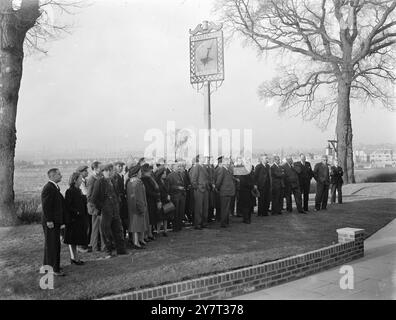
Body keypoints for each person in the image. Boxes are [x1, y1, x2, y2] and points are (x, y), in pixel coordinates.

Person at [91, 163, 127, 258]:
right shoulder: (99, 182)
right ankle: (109, 251)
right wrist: (102, 207)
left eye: (110, 170)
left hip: (115, 209)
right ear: (103, 172)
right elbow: (93, 198)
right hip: (106, 211)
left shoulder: (113, 181)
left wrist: (118, 203)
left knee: (118, 229)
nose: (110, 172)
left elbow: (116, 194)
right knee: (106, 231)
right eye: (107, 170)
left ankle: (121, 250)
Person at [41, 168, 66, 276]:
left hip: (54, 221)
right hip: (51, 222)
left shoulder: (54, 187)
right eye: (59, 174)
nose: (61, 176)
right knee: (52, 245)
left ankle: (49, 266)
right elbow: (46, 206)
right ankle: (54, 269)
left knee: (52, 244)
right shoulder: (49, 188)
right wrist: (49, 220)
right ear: (52, 176)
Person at [64, 172, 89, 265]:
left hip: (79, 219)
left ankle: (75, 257)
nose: (81, 180)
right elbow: (68, 206)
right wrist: (77, 212)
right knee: (72, 240)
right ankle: (74, 258)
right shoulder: (70, 191)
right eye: (80, 179)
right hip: (73, 219)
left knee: (75, 239)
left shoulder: (78, 190)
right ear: (75, 180)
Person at [125, 162, 149, 249]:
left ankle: (139, 240)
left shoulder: (130, 182)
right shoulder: (137, 183)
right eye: (140, 171)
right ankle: (136, 242)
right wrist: (141, 206)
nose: (141, 173)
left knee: (137, 223)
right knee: (137, 224)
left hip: (132, 206)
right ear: (136, 173)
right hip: (138, 205)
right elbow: (138, 196)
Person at [87, 161, 104, 252]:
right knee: (95, 227)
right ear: (95, 168)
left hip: (98, 206)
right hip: (95, 207)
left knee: (99, 227)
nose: (102, 169)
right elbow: (89, 195)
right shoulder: (91, 179)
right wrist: (94, 208)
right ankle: (94, 247)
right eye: (100, 167)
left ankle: (98, 246)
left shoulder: (98, 177)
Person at [190, 155, 210, 230]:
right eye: (203, 158)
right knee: (199, 208)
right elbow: (193, 179)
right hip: (199, 190)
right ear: (199, 159)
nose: (204, 159)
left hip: (205, 190)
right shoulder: (197, 167)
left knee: (205, 207)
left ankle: (204, 223)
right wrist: (197, 188)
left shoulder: (204, 167)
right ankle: (197, 224)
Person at [140, 163, 160, 240]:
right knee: (149, 218)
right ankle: (148, 234)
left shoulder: (149, 178)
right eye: (149, 170)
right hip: (149, 200)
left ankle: (150, 233)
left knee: (151, 218)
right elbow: (148, 191)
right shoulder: (144, 179)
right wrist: (156, 194)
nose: (150, 172)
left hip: (152, 200)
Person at [215, 157, 236, 228]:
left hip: (228, 191)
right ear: (224, 162)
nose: (228, 163)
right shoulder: (222, 170)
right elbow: (219, 181)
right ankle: (223, 223)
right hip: (224, 192)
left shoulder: (228, 170)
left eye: (228, 162)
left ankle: (226, 221)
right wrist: (217, 188)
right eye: (227, 162)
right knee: (224, 208)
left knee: (227, 208)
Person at [166, 162, 187, 232]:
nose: (179, 168)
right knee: (176, 213)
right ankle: (175, 227)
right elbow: (168, 187)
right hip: (175, 196)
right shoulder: (170, 175)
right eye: (177, 166)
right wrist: (177, 187)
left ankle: (179, 226)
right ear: (173, 167)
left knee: (181, 212)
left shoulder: (181, 174)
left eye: (180, 166)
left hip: (182, 196)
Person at [111, 161, 128, 239]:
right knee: (120, 219)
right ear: (115, 167)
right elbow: (116, 190)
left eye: (121, 166)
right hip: (118, 201)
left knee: (122, 219)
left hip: (121, 200)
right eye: (119, 166)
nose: (121, 167)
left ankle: (122, 236)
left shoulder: (120, 176)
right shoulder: (115, 176)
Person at [75, 165, 90, 253]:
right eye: (85, 171)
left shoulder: (85, 181)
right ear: (80, 172)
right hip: (83, 206)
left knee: (86, 225)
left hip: (85, 205)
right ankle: (81, 245)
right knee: (83, 225)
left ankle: (84, 243)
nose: (87, 172)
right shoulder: (81, 183)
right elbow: (86, 193)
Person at [154, 167, 172, 236]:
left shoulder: (166, 180)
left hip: (166, 200)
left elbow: (168, 189)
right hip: (160, 200)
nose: (165, 174)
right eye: (164, 173)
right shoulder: (157, 181)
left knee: (166, 216)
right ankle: (158, 231)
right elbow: (157, 191)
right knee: (160, 217)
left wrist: (168, 195)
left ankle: (165, 230)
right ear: (161, 174)